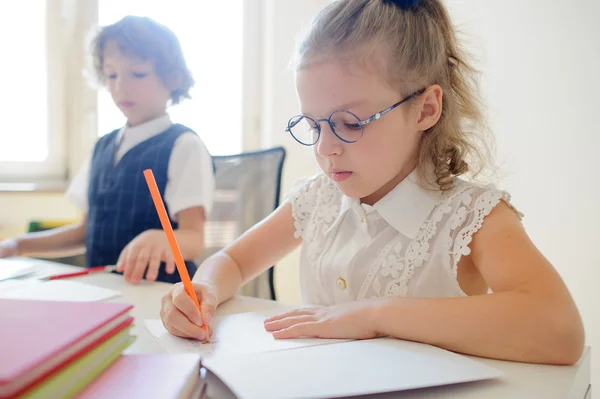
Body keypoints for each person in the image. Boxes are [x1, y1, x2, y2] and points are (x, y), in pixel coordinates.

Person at [159, 0, 584, 364]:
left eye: (348, 122)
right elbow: (232, 262)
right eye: (313, 125)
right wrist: (204, 289)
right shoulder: (317, 199)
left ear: (424, 110)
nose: (325, 148)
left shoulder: (471, 217)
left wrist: (377, 313)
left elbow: (559, 329)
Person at [0, 16, 215, 285]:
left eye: (137, 73)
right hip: (102, 290)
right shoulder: (103, 146)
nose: (120, 86)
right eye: (111, 74)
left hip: (161, 295)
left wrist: (160, 237)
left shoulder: (184, 145)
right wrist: (18, 245)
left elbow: (194, 240)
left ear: (172, 77)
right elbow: (84, 232)